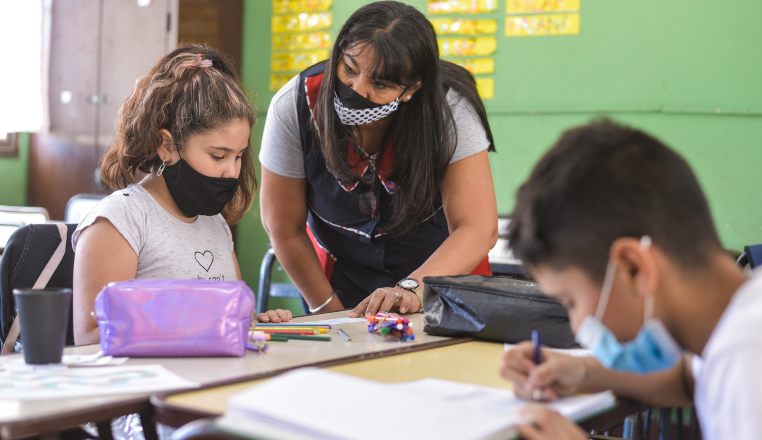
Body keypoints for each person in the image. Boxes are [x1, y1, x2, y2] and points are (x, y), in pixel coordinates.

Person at [500, 119, 762, 439]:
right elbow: (687, 379)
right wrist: (582, 371)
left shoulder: (751, 353)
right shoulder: (756, 308)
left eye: (570, 301)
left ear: (633, 268)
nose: (576, 326)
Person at [260, 1, 498, 317]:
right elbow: (284, 228)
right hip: (341, 281)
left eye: (381, 83)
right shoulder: (295, 105)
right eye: (349, 69)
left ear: (411, 89)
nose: (358, 88)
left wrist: (413, 288)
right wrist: (332, 313)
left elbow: (478, 228)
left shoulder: (450, 110)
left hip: (442, 277)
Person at [72, 45, 291, 345]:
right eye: (218, 156)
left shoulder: (215, 224)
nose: (232, 172)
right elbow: (91, 337)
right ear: (167, 145)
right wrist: (194, 323)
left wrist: (251, 321)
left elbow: (230, 317)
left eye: (239, 156)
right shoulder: (119, 221)